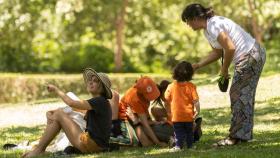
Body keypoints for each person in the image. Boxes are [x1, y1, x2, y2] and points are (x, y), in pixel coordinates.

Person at [181, 3, 266, 146]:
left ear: (195, 18)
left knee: (237, 94)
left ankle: (235, 137)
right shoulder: (207, 30)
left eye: (187, 21)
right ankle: (243, 135)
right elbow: (218, 51)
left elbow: (230, 48)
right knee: (243, 95)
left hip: (250, 55)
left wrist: (224, 69)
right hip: (252, 54)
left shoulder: (214, 25)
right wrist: (199, 65)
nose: (188, 25)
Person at [21, 68, 113, 157]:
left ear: (102, 87)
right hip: (95, 146)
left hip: (91, 145)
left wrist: (56, 90)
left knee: (59, 114)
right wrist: (53, 112)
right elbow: (76, 108)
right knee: (58, 113)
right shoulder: (101, 102)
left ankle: (38, 150)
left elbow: (71, 102)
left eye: (95, 81)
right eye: (90, 80)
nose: (90, 82)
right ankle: (39, 149)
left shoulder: (99, 101)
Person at [117, 76, 167, 147]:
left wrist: (156, 122)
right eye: (149, 95)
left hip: (137, 119)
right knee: (146, 144)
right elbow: (145, 124)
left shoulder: (144, 95)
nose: (152, 98)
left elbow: (145, 120)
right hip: (126, 120)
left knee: (151, 129)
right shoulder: (135, 99)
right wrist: (158, 142)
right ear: (141, 93)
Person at [164, 61, 200, 151]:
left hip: (176, 116)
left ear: (175, 72)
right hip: (189, 115)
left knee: (178, 132)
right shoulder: (191, 86)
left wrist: (168, 111)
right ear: (190, 74)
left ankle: (178, 146)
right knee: (189, 132)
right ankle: (190, 146)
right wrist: (198, 111)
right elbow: (196, 101)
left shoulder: (170, 86)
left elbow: (166, 100)